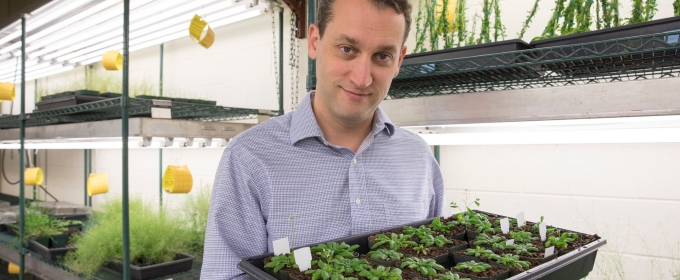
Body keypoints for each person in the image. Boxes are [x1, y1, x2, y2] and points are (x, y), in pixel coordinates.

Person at [200, 0, 444, 278]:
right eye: (347, 49)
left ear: (399, 60)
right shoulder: (250, 157)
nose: (362, 78)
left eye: (382, 56)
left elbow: (436, 261)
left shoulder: (419, 157)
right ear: (315, 42)